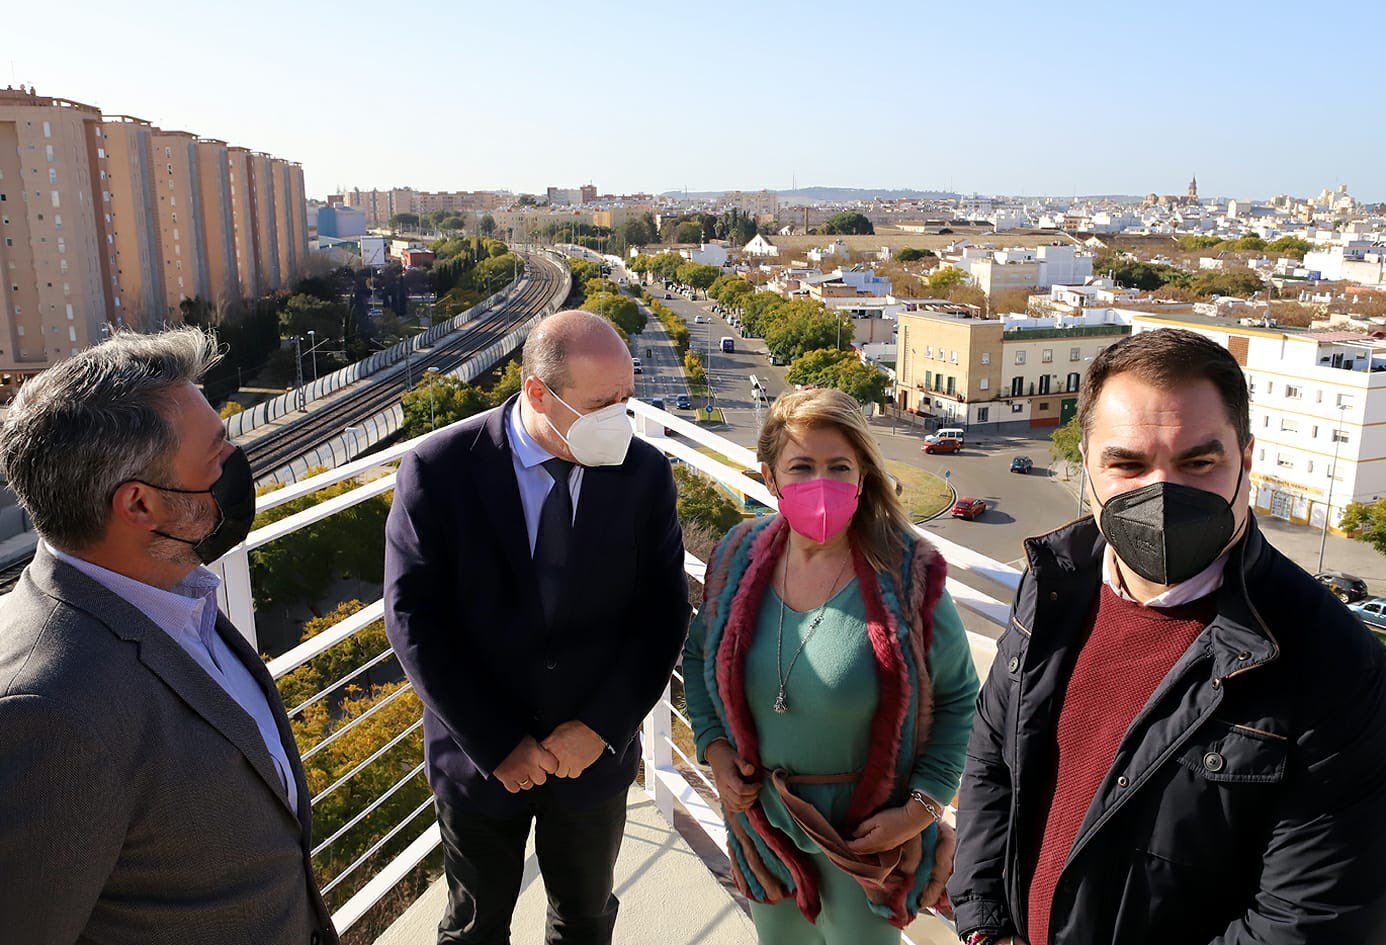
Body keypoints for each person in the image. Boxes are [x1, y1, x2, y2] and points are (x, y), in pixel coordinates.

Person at [948, 328, 1386, 945]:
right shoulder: (1053, 589)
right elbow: (993, 761)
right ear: (1088, 465)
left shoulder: (1333, 664)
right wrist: (985, 926)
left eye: (1198, 462)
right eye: (1127, 463)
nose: (1161, 494)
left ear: (1248, 460)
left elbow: (1310, 920)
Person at [0, 329, 336, 945]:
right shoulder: (45, 708)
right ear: (140, 505)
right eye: (216, 455)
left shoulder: (175, 593)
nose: (237, 463)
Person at [385, 310, 689, 945]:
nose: (620, 420)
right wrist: (497, 744)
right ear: (537, 393)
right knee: (473, 927)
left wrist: (603, 727)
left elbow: (661, 613)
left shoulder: (643, 475)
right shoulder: (439, 470)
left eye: (627, 400)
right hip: (478, 761)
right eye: (602, 403)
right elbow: (415, 619)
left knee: (583, 921)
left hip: (592, 763)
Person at [684, 388, 980, 945]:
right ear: (770, 478)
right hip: (765, 831)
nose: (821, 482)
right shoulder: (738, 555)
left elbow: (960, 698)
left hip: (865, 842)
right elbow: (701, 655)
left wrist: (920, 809)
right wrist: (715, 750)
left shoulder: (908, 577)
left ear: (862, 477)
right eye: (801, 466)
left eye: (839, 466)